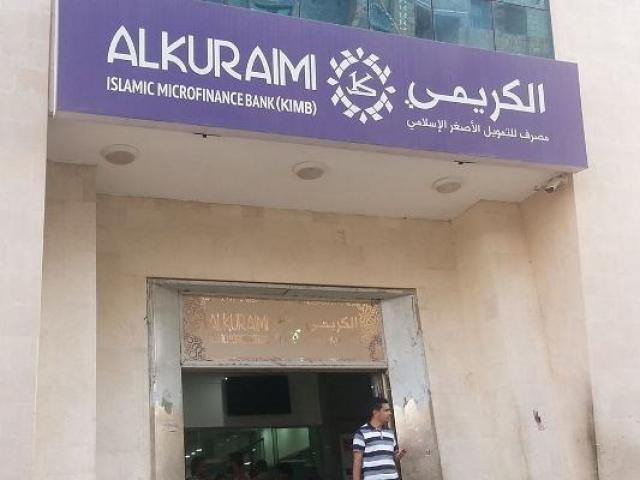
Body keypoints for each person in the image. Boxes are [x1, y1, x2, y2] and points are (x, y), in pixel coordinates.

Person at [352, 397, 407, 480]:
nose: (390, 413)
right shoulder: (361, 433)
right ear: (375, 412)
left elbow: (394, 457)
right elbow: (357, 462)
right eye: (386, 410)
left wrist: (399, 455)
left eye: (389, 410)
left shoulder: (390, 433)